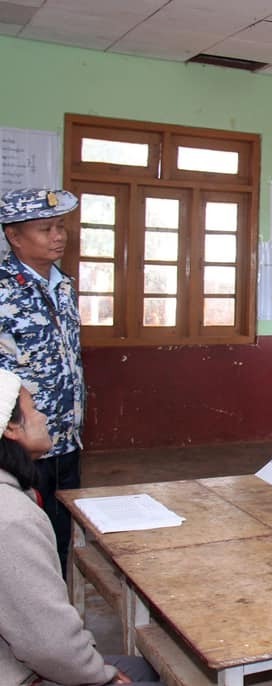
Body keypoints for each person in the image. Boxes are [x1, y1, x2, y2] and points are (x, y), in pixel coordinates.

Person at [0, 369, 164, 685]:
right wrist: (102, 678)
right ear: (10, 427)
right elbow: (49, 644)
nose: (44, 418)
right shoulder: (11, 520)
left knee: (148, 668)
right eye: (33, 409)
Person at [0, 188, 85, 577]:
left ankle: (58, 607)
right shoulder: (3, 290)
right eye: (45, 228)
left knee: (62, 531)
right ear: (14, 236)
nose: (58, 235)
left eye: (61, 226)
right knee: (25, 542)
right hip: (19, 443)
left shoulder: (63, 285)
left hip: (65, 437)